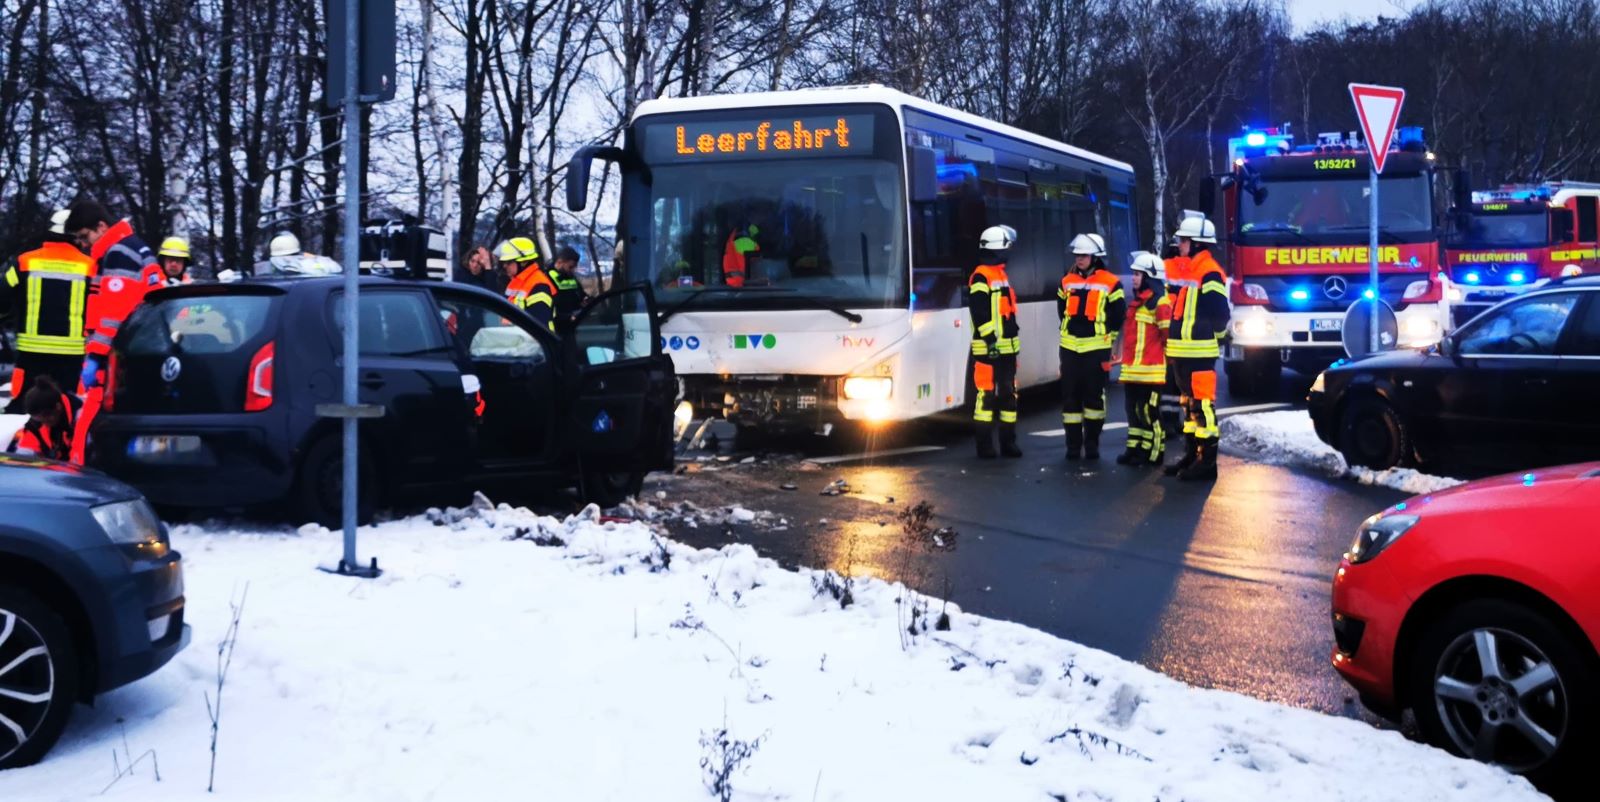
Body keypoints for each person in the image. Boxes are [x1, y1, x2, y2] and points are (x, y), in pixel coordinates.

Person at [64, 200, 164, 465]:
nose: (83, 245)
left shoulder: (119, 253)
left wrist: (95, 356)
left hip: (117, 358)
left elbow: (114, 315)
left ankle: (81, 478)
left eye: (84, 237)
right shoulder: (135, 247)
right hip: (141, 354)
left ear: (101, 226)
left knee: (89, 426)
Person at [1163, 212, 1231, 481]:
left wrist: (1212, 336)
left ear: (1198, 243)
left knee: (1203, 407)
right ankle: (1193, 456)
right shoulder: (1191, 270)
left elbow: (1220, 313)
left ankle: (1207, 463)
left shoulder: (1209, 272)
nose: (1180, 244)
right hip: (1184, 352)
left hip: (1199, 352)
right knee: (1189, 406)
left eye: (1184, 240)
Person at [3, 210, 93, 414]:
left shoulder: (25, 262)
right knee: (68, 412)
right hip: (71, 358)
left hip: (31, 356)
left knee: (25, 411)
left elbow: (2, 296)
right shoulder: (90, 267)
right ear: (75, 236)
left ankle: (23, 445)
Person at [1056, 233, 1126, 460]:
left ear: (1095, 257)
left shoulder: (1110, 282)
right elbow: (1061, 309)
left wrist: (1111, 338)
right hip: (1069, 350)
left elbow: (1118, 314)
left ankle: (1092, 444)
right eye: (1077, 255)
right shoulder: (1066, 281)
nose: (1079, 259)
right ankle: (1073, 447)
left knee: (1094, 399)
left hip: (1096, 351)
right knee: (1070, 400)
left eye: (1084, 255)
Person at [968, 225, 1022, 459]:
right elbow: (979, 312)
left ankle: (1008, 443)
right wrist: (990, 340)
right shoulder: (981, 276)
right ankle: (985, 446)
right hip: (988, 349)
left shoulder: (1000, 275)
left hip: (1007, 349)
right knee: (986, 397)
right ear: (998, 249)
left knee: (1008, 396)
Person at [1116, 251, 1172, 466]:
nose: (1134, 278)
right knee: (1133, 411)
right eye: (1134, 274)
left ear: (1150, 277)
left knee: (1150, 412)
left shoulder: (1160, 303)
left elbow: (1167, 338)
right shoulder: (1137, 303)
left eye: (1139, 274)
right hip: (1133, 371)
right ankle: (1135, 448)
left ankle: (1155, 451)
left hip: (1152, 372)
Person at [5, 376, 80, 461]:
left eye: (46, 419)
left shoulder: (80, 416)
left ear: (58, 407)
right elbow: (25, 455)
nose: (44, 424)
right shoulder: (34, 426)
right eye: (39, 420)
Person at [502, 237, 557, 331]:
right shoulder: (517, 282)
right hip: (517, 339)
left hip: (532, 343)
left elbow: (539, 324)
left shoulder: (539, 285)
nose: (504, 266)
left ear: (523, 262)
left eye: (509, 262)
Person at [548, 245, 585, 327]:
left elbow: (580, 295)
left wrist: (586, 300)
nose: (573, 270)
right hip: (558, 326)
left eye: (575, 267)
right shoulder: (546, 278)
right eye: (571, 267)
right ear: (560, 262)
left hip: (574, 324)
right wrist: (567, 318)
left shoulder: (571, 277)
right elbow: (549, 308)